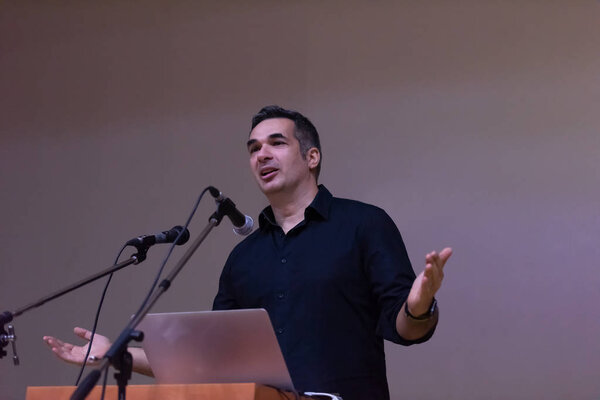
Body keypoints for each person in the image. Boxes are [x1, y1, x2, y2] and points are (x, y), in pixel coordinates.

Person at [44, 105, 452, 400]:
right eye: (253, 148)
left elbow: (407, 329)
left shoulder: (363, 224)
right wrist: (118, 354)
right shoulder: (244, 258)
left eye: (276, 142)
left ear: (312, 157)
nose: (262, 155)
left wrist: (418, 305)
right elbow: (209, 360)